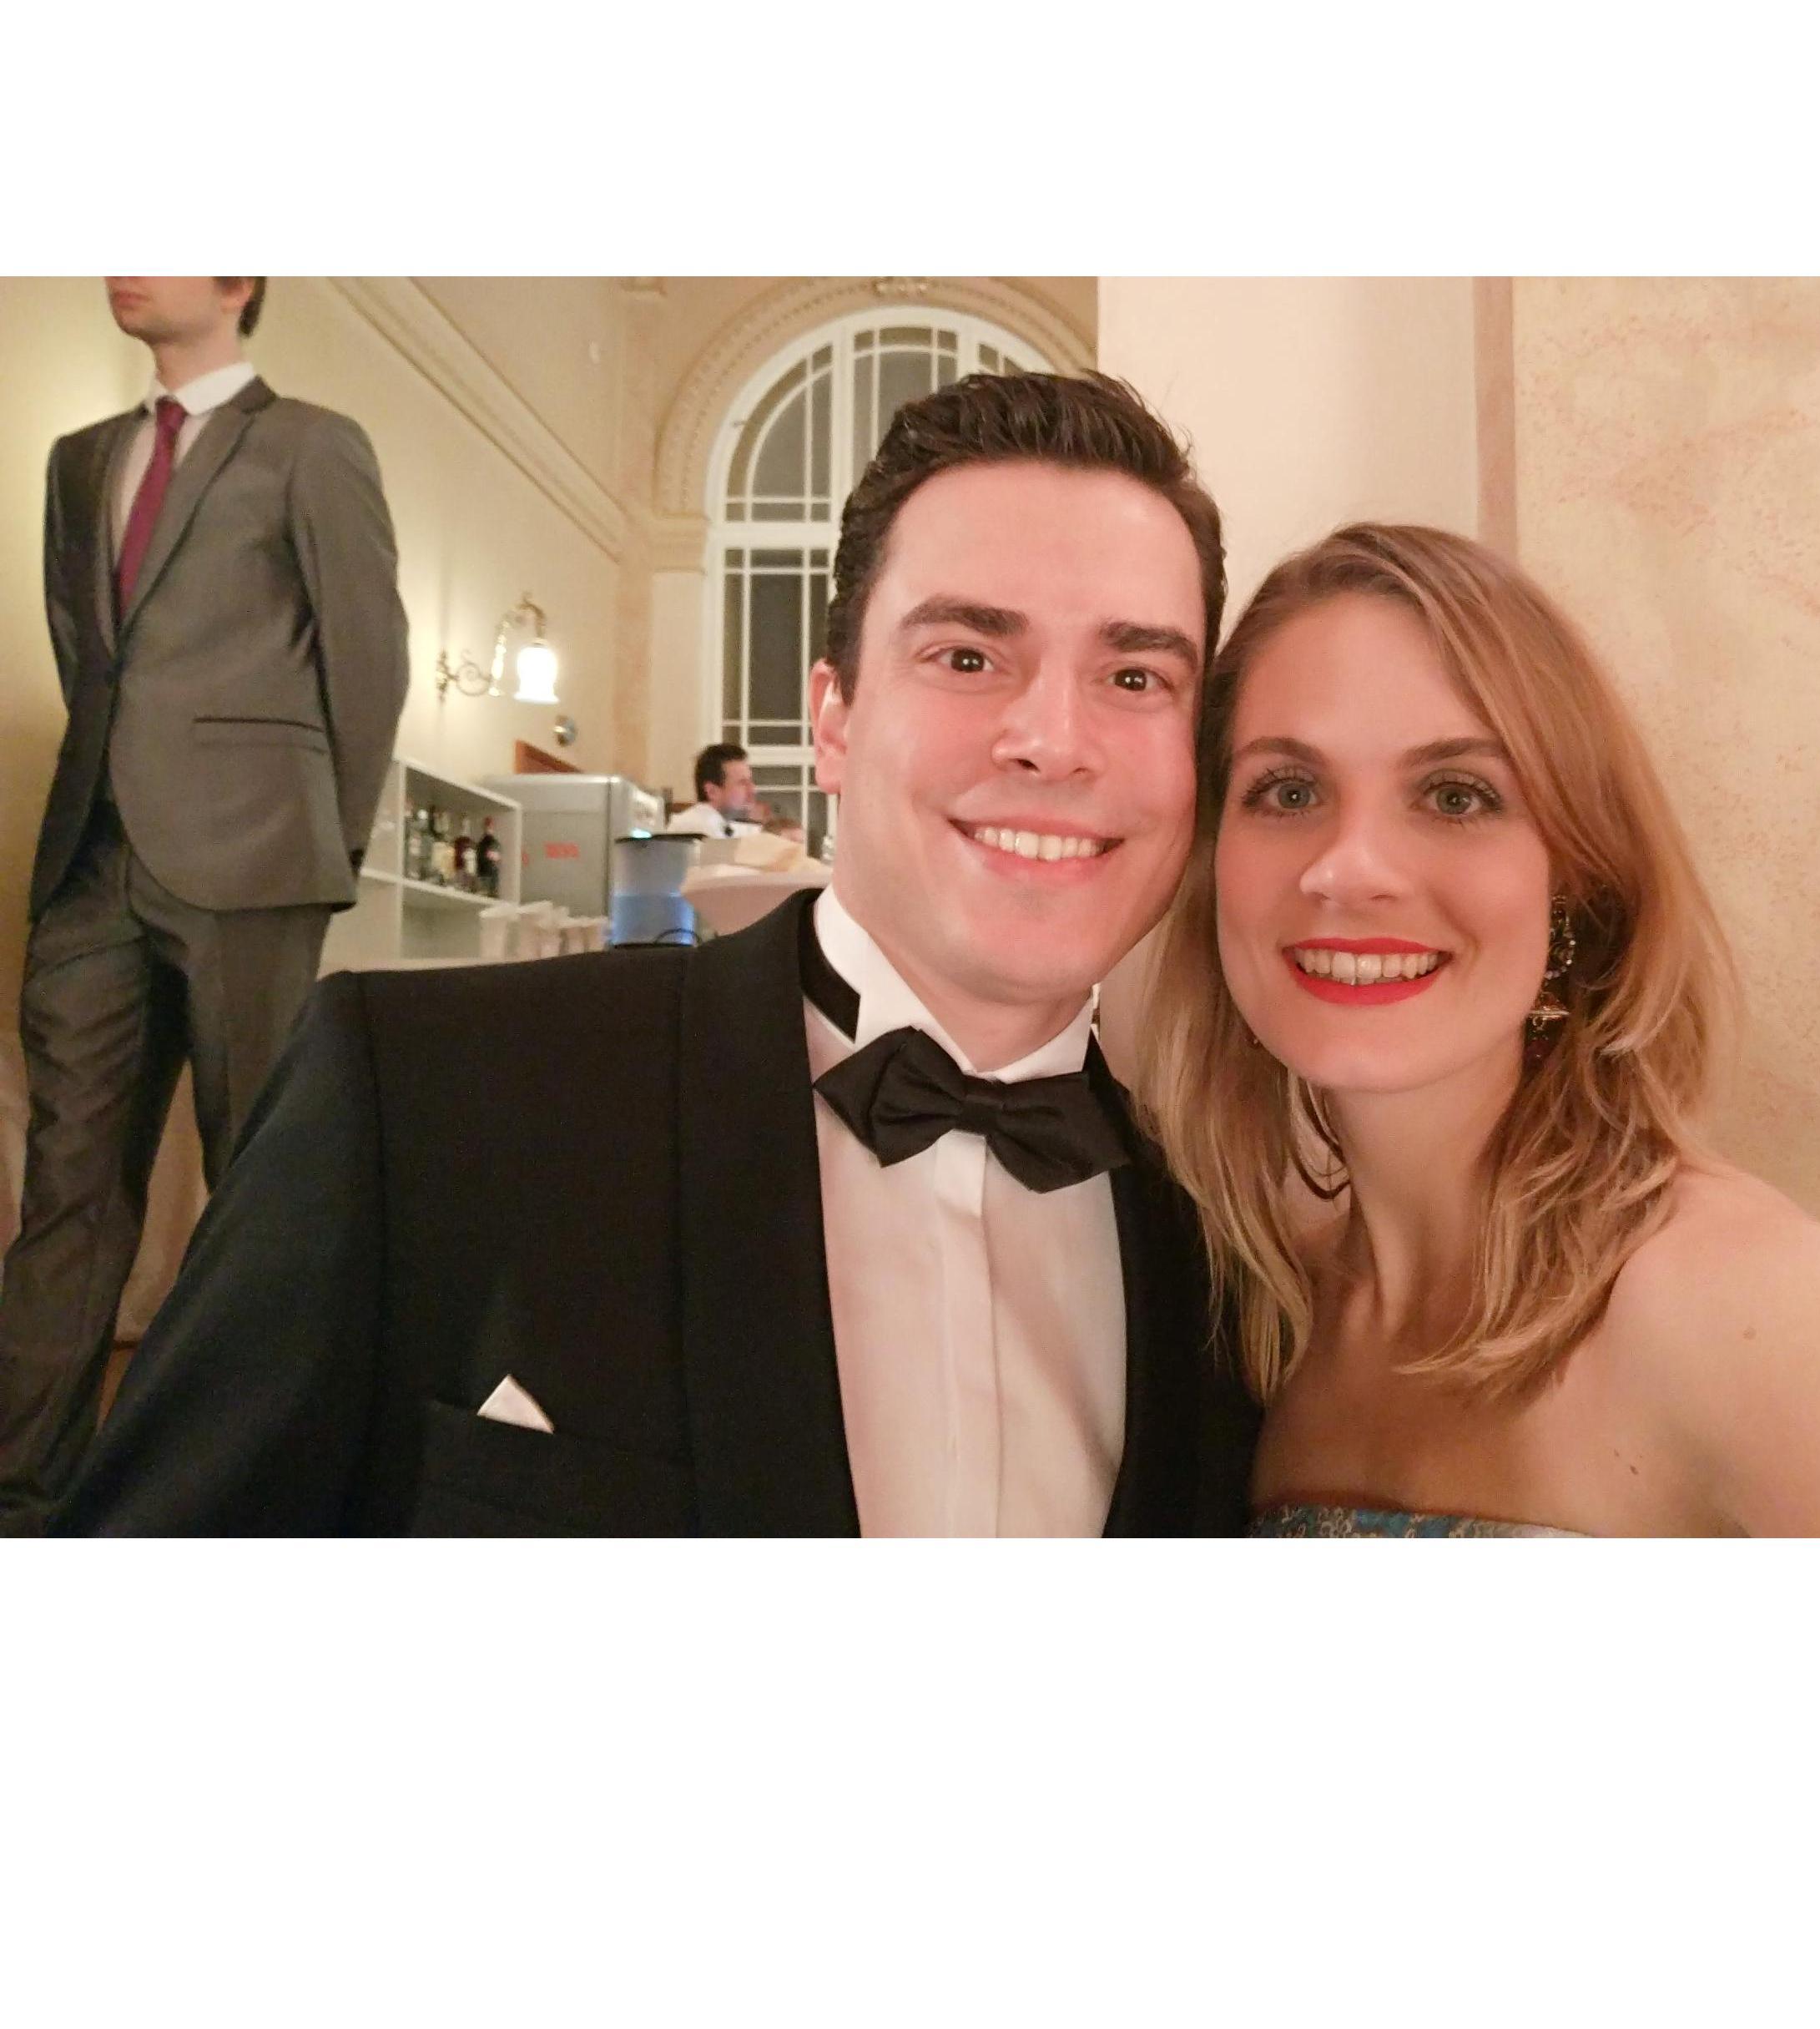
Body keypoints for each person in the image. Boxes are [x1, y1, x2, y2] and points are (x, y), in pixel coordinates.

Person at [55, 370, 1255, 1536]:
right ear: (834, 720)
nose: (1054, 739)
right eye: (968, 657)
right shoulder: (420, 1092)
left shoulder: (1231, 1248)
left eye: (1134, 675)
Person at [1133, 523, 1820, 1536]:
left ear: (1577, 880)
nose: (1348, 868)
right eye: (1289, 791)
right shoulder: (1263, 1325)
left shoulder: (1764, 1313)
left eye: (1456, 795)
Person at [0, 277, 409, 1534]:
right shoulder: (81, 459)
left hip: (258, 856)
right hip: (92, 859)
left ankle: (254, 1492)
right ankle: (23, 1498)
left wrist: (323, 847)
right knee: (67, 1188)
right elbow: (88, 653)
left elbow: (370, 660)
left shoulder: (314, 445)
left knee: (258, 1184)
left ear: (238, 280)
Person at [667, 743, 806, 842]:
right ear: (712, 791)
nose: (752, 790)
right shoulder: (697, 830)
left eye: (750, 781)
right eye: (742, 783)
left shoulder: (724, 825)